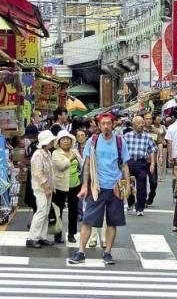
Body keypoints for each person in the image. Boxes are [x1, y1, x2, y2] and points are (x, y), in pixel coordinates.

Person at [69, 113, 130, 265]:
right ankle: (81, 251)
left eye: (108, 123)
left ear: (113, 124)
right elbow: (87, 164)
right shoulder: (93, 141)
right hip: (96, 186)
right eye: (103, 124)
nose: (106, 126)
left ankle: (108, 252)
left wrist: (127, 184)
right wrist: (84, 186)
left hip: (114, 187)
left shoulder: (120, 141)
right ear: (99, 125)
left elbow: (124, 165)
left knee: (112, 222)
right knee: (88, 220)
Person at [26, 130, 56, 248]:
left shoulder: (46, 152)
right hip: (41, 188)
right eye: (51, 140)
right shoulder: (38, 155)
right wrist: (46, 187)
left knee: (46, 212)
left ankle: (42, 237)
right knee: (42, 211)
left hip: (47, 187)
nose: (53, 142)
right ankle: (32, 238)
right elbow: (38, 174)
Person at [124, 116, 157, 216]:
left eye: (142, 123)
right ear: (133, 125)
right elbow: (122, 150)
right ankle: (130, 201)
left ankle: (140, 207)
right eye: (139, 123)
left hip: (141, 163)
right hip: (129, 162)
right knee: (128, 183)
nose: (142, 125)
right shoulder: (127, 136)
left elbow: (152, 150)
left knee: (142, 186)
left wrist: (152, 163)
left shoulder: (147, 137)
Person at [52, 130, 81, 243]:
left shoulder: (74, 151)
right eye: (63, 139)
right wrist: (70, 158)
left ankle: (72, 234)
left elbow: (81, 163)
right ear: (59, 142)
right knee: (58, 210)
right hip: (60, 185)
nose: (66, 141)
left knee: (73, 211)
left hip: (75, 184)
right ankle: (58, 234)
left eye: (68, 139)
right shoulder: (55, 153)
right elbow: (61, 166)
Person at [143, 113, 163, 204]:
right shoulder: (140, 130)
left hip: (152, 161)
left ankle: (152, 194)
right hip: (142, 160)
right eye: (147, 119)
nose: (149, 120)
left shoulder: (155, 131)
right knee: (141, 181)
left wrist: (161, 156)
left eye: (150, 119)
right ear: (143, 119)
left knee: (153, 182)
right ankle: (142, 199)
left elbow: (159, 143)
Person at [23, 125, 40, 214]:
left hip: (39, 175)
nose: (29, 138)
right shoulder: (31, 146)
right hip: (32, 174)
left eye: (30, 136)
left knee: (37, 198)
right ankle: (36, 217)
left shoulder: (40, 145)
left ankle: (39, 219)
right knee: (33, 198)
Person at [153, 114, 168, 180]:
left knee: (162, 161)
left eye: (160, 119)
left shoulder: (163, 127)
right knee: (155, 161)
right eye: (158, 119)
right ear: (154, 120)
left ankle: (161, 176)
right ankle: (156, 175)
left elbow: (167, 135)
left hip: (163, 146)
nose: (159, 120)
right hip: (155, 146)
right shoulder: (152, 127)